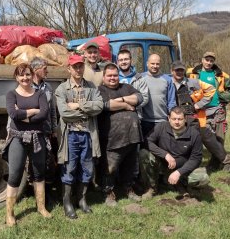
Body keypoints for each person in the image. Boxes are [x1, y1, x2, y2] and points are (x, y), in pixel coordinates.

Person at [3, 63, 51, 226]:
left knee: (39, 173)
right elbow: (13, 114)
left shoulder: (40, 94)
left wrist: (24, 115)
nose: (25, 78)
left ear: (32, 76)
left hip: (37, 137)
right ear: (16, 77)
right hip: (18, 138)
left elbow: (44, 114)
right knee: (14, 175)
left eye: (28, 75)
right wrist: (33, 111)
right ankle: (9, 214)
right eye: (21, 75)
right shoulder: (12, 94)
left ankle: (41, 207)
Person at [55, 54, 103, 219]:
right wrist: (86, 113)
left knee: (87, 167)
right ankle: (67, 201)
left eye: (80, 66)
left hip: (88, 134)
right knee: (69, 168)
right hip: (70, 135)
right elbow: (64, 113)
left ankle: (82, 199)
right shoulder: (62, 89)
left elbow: (99, 106)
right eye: (75, 66)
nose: (78, 69)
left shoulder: (91, 87)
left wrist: (78, 105)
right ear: (69, 69)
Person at [171, 61, 230, 173]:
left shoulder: (193, 82)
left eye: (181, 70)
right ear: (172, 71)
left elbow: (211, 90)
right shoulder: (168, 83)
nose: (179, 72)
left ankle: (226, 160)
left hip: (193, 117)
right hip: (176, 118)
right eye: (177, 70)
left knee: (205, 137)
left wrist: (198, 105)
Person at [97, 63, 143, 206]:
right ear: (103, 77)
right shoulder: (99, 90)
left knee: (129, 165)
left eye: (115, 75)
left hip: (132, 136)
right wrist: (126, 105)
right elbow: (105, 105)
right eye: (109, 75)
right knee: (110, 167)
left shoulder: (126, 87)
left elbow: (139, 98)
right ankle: (109, 193)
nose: (112, 78)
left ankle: (128, 189)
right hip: (112, 138)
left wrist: (121, 100)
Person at [188, 52, 230, 171]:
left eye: (211, 61)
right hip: (200, 109)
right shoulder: (192, 73)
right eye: (207, 60)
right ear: (202, 60)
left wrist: (225, 98)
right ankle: (222, 160)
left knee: (219, 136)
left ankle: (216, 163)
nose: (209, 63)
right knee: (206, 136)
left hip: (217, 109)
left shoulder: (221, 74)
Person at [138, 53, 176, 199]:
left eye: (157, 64)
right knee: (145, 153)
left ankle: (164, 180)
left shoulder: (167, 80)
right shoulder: (140, 78)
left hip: (162, 122)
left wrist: (171, 118)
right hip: (145, 122)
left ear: (160, 64)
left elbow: (171, 101)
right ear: (147, 63)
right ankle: (149, 184)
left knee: (163, 152)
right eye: (152, 63)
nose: (155, 66)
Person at [147, 106, 209, 194]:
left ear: (185, 119)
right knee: (144, 154)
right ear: (169, 118)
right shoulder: (161, 127)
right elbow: (148, 141)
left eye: (180, 119)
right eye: (174, 119)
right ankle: (153, 187)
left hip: (184, 168)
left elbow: (196, 158)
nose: (176, 122)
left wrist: (179, 172)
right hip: (164, 165)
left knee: (202, 177)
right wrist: (165, 154)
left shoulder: (194, 134)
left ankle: (188, 187)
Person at [30, 58, 58, 185]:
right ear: (36, 70)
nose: (47, 71)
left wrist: (54, 128)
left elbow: (52, 110)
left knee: (47, 162)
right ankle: (33, 189)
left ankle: (48, 193)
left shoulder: (48, 87)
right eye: (45, 68)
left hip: (45, 131)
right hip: (30, 131)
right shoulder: (27, 86)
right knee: (32, 162)